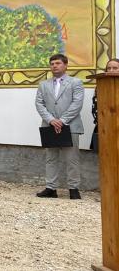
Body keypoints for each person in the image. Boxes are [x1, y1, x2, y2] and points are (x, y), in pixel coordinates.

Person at [35, 53, 84, 200]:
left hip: (70, 126)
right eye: (52, 64)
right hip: (49, 126)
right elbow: (39, 104)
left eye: (58, 63)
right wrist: (51, 120)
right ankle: (51, 188)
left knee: (72, 159)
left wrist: (62, 120)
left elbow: (77, 103)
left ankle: (73, 189)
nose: (54, 66)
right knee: (51, 158)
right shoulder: (43, 84)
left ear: (65, 65)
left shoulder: (76, 82)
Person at [91, 58, 119, 152]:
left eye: (115, 68)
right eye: (109, 68)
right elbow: (95, 108)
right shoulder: (100, 86)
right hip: (105, 128)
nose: (111, 70)